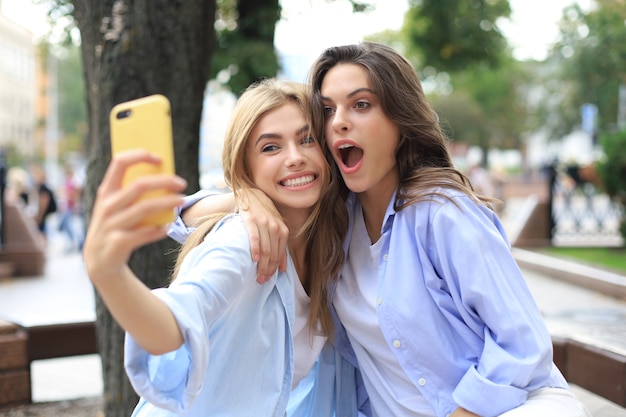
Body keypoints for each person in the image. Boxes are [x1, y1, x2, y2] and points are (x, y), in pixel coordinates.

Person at [177, 43, 590, 417]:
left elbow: (522, 345)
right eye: (326, 110)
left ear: (399, 120)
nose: (339, 122)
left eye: (361, 105)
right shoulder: (335, 224)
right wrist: (248, 198)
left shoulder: (443, 213)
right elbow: (177, 215)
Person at [83, 79, 362, 417]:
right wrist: (108, 273)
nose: (295, 158)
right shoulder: (244, 241)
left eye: (307, 140)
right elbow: (173, 325)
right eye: (270, 148)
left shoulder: (331, 244)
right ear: (245, 168)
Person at [31, 164, 57, 239]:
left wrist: (40, 215)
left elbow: (44, 202)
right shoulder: (41, 187)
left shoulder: (43, 188)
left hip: (47, 215)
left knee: (44, 234)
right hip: (47, 215)